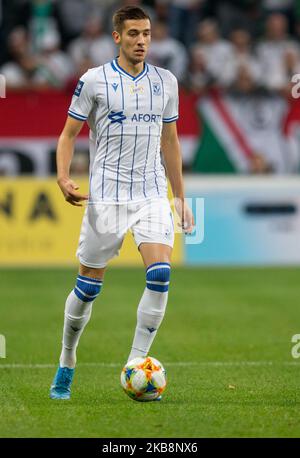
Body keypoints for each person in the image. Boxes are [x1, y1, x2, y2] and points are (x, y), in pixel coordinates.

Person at [50, 5, 194, 400]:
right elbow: (67, 135)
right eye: (133, 34)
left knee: (160, 274)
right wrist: (63, 177)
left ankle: (136, 364)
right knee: (87, 288)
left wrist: (179, 198)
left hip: (151, 194)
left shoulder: (166, 82)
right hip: (107, 197)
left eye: (146, 33)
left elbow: (170, 142)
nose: (142, 40)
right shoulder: (94, 81)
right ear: (117, 37)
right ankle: (67, 360)